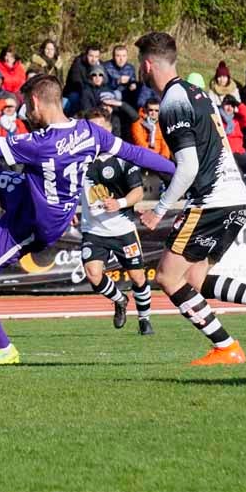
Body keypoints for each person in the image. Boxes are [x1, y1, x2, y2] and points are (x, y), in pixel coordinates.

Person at [0, 74, 175, 365]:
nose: (25, 114)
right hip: (31, 196)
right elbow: (137, 154)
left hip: (35, 223)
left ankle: (2, 347)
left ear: (35, 101)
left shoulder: (39, 142)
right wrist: (178, 172)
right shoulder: (90, 133)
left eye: (26, 106)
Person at [134, 31, 246, 366]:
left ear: (148, 64)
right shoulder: (198, 92)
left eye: (140, 65)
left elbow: (189, 165)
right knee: (193, 280)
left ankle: (226, 346)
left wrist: (159, 209)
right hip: (235, 198)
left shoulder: (172, 101)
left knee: (166, 277)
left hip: (211, 199)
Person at [79, 110, 154, 335]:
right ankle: (119, 299)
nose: (96, 134)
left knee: (138, 276)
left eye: (100, 129)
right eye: (91, 130)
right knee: (93, 274)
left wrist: (119, 203)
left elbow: (138, 191)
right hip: (93, 229)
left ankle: (145, 319)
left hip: (123, 229)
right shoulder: (79, 158)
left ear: (109, 130)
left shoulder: (122, 158)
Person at [218, 96, 246, 196]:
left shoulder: (237, 120)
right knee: (237, 170)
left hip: (239, 152)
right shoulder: (218, 119)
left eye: (232, 106)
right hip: (226, 153)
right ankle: (243, 190)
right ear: (222, 105)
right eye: (227, 105)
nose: (229, 108)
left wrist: (239, 104)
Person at [63, 43, 102, 115]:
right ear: (86, 55)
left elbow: (104, 82)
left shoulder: (100, 65)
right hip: (75, 91)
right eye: (91, 56)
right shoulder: (78, 63)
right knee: (76, 97)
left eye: (96, 57)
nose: (93, 59)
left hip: (92, 92)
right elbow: (76, 82)